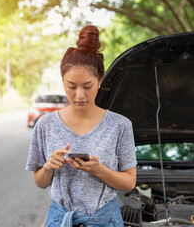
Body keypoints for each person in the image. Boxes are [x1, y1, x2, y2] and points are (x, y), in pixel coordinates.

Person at [25, 25, 137, 227]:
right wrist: (49, 166)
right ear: (62, 81)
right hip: (60, 220)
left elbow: (129, 182)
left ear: (100, 81)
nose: (79, 95)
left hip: (105, 220)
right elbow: (40, 182)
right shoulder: (45, 125)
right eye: (71, 86)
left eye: (87, 86)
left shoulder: (120, 125)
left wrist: (98, 170)